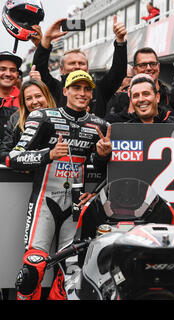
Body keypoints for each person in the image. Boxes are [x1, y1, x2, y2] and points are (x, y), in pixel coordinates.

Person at [8, 70, 112, 300]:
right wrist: (49, 154)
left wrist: (103, 158)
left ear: (92, 94)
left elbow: (106, 171)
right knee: (31, 273)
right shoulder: (43, 116)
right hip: (44, 200)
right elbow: (13, 158)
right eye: (76, 88)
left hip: (75, 207)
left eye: (87, 89)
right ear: (65, 91)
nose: (82, 93)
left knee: (72, 275)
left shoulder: (100, 125)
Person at [31, 16, 128, 117]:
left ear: (87, 69)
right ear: (61, 69)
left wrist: (120, 41)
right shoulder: (55, 88)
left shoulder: (99, 89)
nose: (77, 67)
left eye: (81, 63)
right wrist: (47, 39)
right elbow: (39, 70)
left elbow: (118, 72)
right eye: (72, 63)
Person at [0, 79, 57, 163]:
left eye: (38, 96)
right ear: (24, 102)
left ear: (47, 96)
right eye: (29, 98)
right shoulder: (15, 119)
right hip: (23, 174)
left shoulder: (60, 117)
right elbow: (3, 153)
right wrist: (25, 161)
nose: (34, 102)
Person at [0, 51, 22, 140]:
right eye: (2, 69)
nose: (8, 74)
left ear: (17, 74)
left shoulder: (25, 100)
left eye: (12, 70)